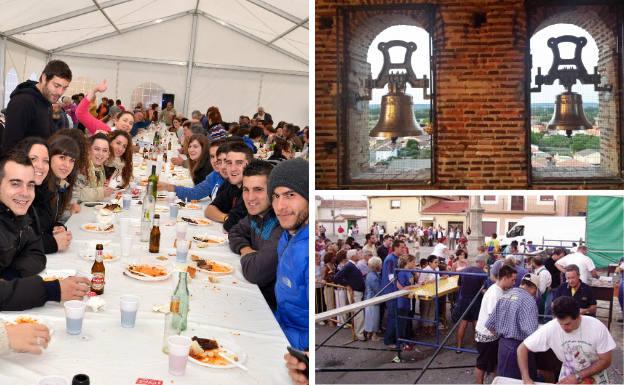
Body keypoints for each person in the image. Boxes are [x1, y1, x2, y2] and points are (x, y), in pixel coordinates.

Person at [0, 151, 90, 310]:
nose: (25, 193)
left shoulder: (19, 213)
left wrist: (9, 277)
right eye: (15, 183)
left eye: (30, 185)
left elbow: (36, 253)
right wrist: (52, 290)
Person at [517, 296, 616, 384]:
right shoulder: (552, 327)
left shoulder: (596, 327)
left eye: (568, 324)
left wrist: (578, 376)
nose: (564, 328)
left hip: (596, 375)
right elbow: (522, 349)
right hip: (568, 376)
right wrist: (526, 379)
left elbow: (606, 360)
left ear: (578, 316)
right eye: (561, 324)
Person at [228, 160, 281, 311]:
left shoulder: (281, 222)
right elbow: (234, 231)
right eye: (246, 190)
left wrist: (250, 258)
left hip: (270, 309)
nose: (250, 198)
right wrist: (246, 249)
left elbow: (256, 272)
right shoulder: (256, 214)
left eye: (258, 189)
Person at [271, 158, 309, 351]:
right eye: (276, 196)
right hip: (279, 329)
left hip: (293, 347)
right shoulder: (287, 236)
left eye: (290, 195)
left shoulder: (308, 252)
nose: (280, 206)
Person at [2, 60, 72, 153]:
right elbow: (10, 147)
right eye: (56, 86)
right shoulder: (22, 102)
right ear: (44, 78)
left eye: (64, 88)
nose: (60, 92)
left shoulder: (46, 101)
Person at [485, 273, 540, 380]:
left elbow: (490, 325)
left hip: (503, 347)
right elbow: (531, 333)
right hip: (520, 348)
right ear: (533, 288)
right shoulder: (529, 301)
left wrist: (504, 335)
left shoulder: (505, 296)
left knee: (504, 380)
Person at [474, 264, 517, 384]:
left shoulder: (499, 290)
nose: (514, 283)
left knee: (494, 362)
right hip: (487, 335)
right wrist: (503, 333)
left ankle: (496, 382)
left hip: (492, 335)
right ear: (505, 278)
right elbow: (492, 320)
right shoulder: (495, 293)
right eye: (512, 280)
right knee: (482, 364)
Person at [203, 142, 252, 232]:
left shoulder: (250, 191)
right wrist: (225, 217)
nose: (233, 168)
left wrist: (227, 220)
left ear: (249, 165)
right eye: (229, 163)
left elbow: (229, 226)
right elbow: (209, 210)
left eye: (239, 163)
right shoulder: (231, 184)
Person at [159, 140, 225, 201]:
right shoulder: (215, 175)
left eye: (218, 156)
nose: (215, 160)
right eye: (212, 156)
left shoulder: (232, 180)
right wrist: (167, 187)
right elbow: (195, 193)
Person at [453, 253, 487, 353]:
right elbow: (484, 290)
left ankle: (458, 347)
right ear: (481, 263)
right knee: (476, 323)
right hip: (476, 301)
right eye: (484, 263)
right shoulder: (482, 274)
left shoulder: (464, 271)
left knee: (463, 323)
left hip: (463, 300)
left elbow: (459, 287)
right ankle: (478, 346)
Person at [333, 248, 366, 341]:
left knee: (358, 313)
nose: (359, 255)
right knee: (359, 314)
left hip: (357, 291)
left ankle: (359, 332)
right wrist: (347, 284)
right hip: (354, 292)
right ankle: (360, 333)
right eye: (357, 253)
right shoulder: (349, 266)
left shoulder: (352, 265)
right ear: (353, 256)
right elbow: (337, 277)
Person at [381, 239, 407, 346]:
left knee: (397, 317)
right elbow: (391, 277)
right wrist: (402, 289)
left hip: (396, 291)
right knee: (393, 317)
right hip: (391, 291)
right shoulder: (390, 259)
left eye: (404, 247)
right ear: (395, 247)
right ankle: (388, 341)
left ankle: (398, 339)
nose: (403, 249)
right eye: (402, 247)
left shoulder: (397, 258)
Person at [75, 133, 113, 202]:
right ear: (89, 150)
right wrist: (101, 192)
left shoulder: (100, 167)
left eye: (104, 150)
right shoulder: (82, 167)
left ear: (108, 154)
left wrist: (104, 187)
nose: (100, 154)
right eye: (97, 149)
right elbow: (76, 194)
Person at [364, 256, 383, 341]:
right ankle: (373, 335)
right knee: (374, 318)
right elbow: (378, 290)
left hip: (370, 298)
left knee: (370, 317)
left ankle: (369, 333)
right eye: (380, 264)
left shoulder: (371, 274)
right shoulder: (373, 277)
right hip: (373, 299)